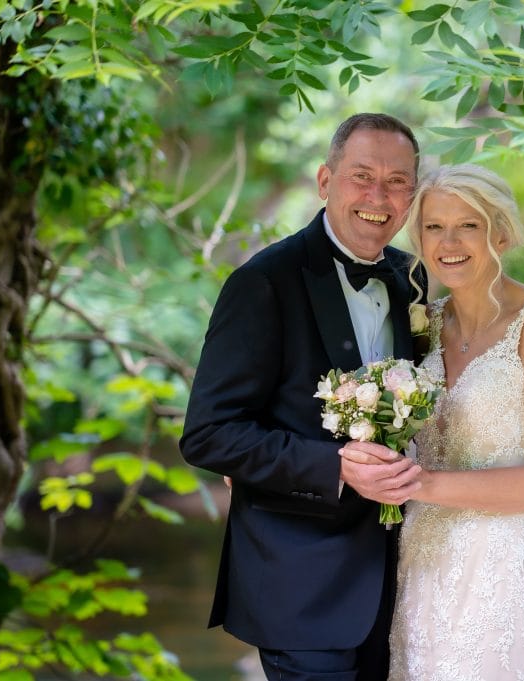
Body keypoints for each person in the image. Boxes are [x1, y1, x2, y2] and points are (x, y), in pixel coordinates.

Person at [180, 113, 428, 681]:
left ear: (412, 195)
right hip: (300, 583)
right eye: (361, 176)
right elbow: (208, 433)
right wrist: (333, 466)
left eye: (397, 182)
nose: (378, 196)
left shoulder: (412, 278)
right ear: (325, 181)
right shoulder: (263, 283)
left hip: (401, 583)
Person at [341, 164, 524, 680]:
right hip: (419, 562)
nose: (448, 242)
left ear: (499, 231)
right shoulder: (421, 323)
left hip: (503, 566)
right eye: (434, 227)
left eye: (468, 226)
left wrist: (423, 484)